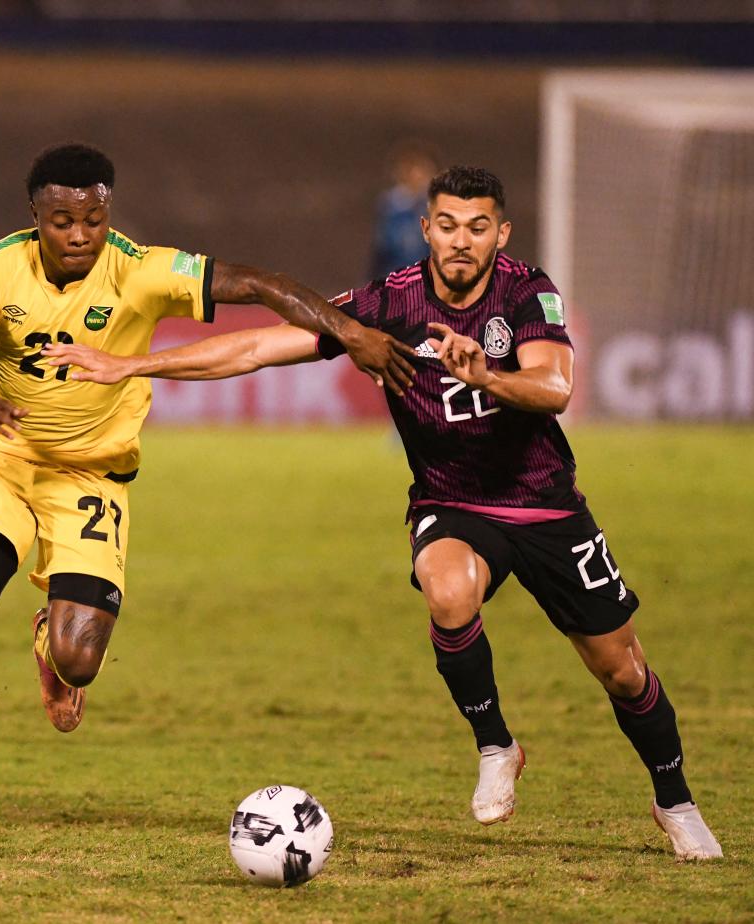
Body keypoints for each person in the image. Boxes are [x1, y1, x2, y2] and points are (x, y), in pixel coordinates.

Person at [44, 165, 723, 862]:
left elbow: (553, 387)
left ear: (501, 233)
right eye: (449, 225)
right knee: (448, 590)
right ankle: (496, 745)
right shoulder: (387, 303)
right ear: (427, 228)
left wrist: (484, 375)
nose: (463, 241)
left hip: (546, 506)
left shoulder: (526, 290)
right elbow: (254, 347)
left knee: (622, 671)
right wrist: (132, 365)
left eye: (479, 227)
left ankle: (674, 800)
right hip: (451, 502)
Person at [0, 142, 416, 857]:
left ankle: (48, 642)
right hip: (2, 461)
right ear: (37, 217)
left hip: (93, 476)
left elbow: (258, 283)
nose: (80, 234)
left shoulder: (143, 270)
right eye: (62, 220)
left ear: (106, 211)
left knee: (80, 659)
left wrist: (349, 331)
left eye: (92, 217)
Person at [370, 141, 439, 278]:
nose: (417, 177)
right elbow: (383, 249)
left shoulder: (437, 205)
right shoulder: (391, 206)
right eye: (412, 170)